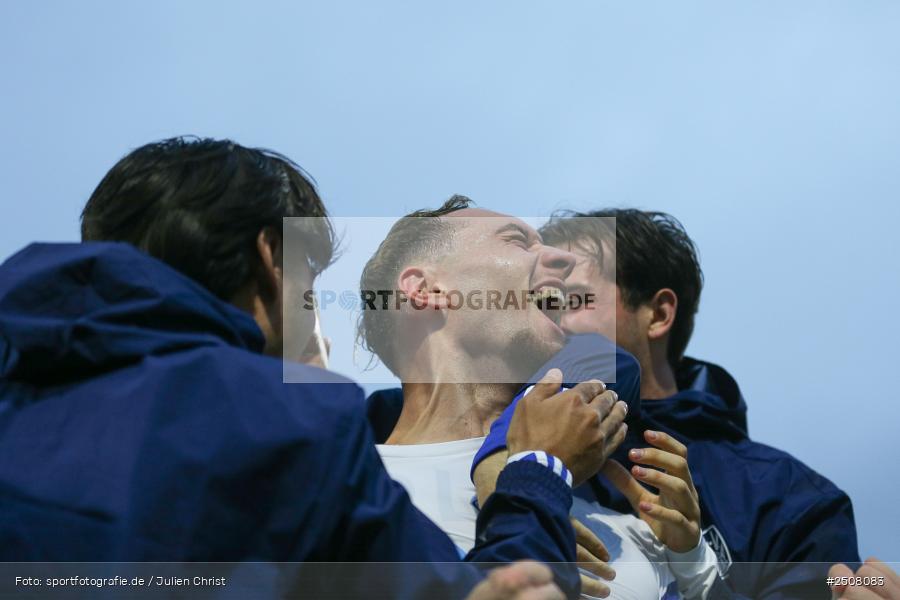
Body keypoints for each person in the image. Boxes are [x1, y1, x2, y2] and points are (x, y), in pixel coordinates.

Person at [0, 137, 614, 600]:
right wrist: (537, 473)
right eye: (310, 281)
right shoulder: (291, 426)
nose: (313, 312)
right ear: (270, 258)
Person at [358, 198, 722, 600]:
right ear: (426, 290)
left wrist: (694, 567)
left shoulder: (630, 534)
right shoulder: (343, 494)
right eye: (517, 241)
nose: (561, 260)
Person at [529, 209, 861, 598]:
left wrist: (694, 567)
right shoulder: (484, 445)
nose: (547, 321)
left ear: (658, 314)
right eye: (538, 304)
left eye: (570, 299)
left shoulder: (789, 500)